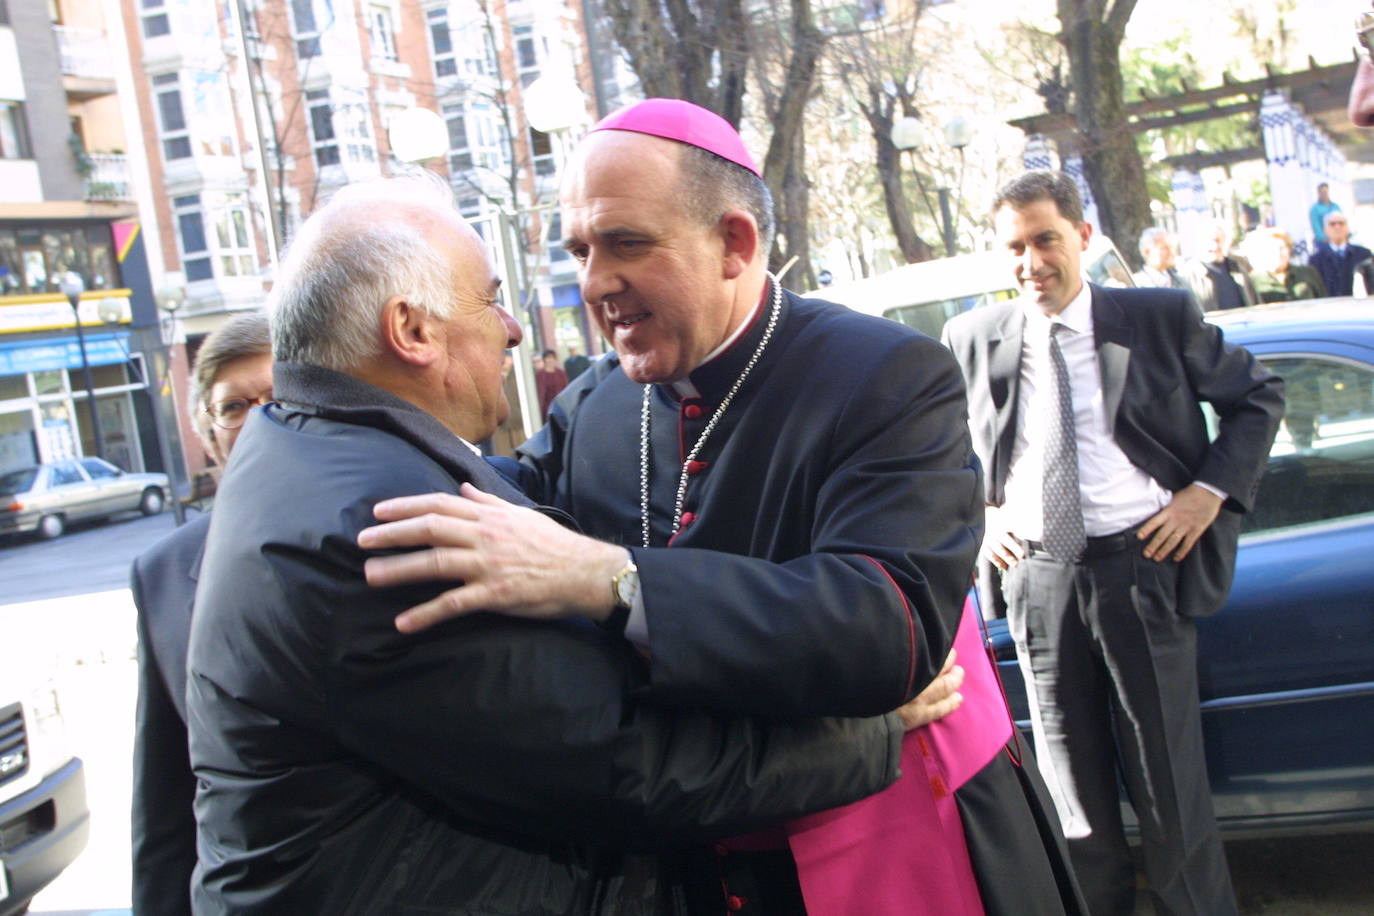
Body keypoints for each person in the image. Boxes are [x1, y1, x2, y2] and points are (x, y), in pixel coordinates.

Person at [359, 99, 1088, 915]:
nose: (595, 283)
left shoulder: (884, 374)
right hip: (691, 848)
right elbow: (480, 518)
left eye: (627, 243)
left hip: (894, 818)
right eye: (580, 250)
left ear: (735, 243)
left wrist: (615, 579)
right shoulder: (596, 404)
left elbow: (890, 628)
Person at [185, 172, 919, 914]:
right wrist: (869, 733)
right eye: (490, 297)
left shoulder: (298, 442)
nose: (511, 326)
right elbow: (618, 764)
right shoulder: (396, 522)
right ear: (412, 331)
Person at [941, 170, 1284, 916]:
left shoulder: (1157, 317)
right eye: (1014, 247)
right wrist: (982, 515)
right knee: (1076, 808)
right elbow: (942, 451)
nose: (1031, 262)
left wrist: (1206, 492)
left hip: (1144, 570)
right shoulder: (973, 338)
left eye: (1046, 240)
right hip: (1038, 582)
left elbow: (1258, 397)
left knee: (1172, 801)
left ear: (1084, 239)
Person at [130, 311, 272, 916]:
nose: (258, 419)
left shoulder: (382, 525)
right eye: (234, 407)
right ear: (208, 434)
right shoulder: (161, 574)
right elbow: (164, 799)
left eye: (277, 397)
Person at [1181, 220, 1257, 311]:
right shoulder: (1189, 273)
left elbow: (1254, 299)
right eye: (1210, 241)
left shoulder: (1237, 267)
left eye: (1218, 241)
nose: (1214, 246)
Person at [1244, 227, 1326, 303]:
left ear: (1289, 250)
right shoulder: (1253, 280)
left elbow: (1324, 302)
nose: (1278, 252)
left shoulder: (1308, 273)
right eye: (1273, 248)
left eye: (1282, 248)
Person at [1308, 211, 1372, 297]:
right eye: (1332, 224)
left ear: (1348, 228)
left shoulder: (1364, 255)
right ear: (1325, 230)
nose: (1337, 227)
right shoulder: (1315, 260)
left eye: (1341, 223)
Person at [535, 346, 568, 419]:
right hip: (545, 408)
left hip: (559, 406)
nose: (550, 360)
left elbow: (566, 389)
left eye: (552, 358)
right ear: (544, 360)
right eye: (548, 358)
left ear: (555, 359)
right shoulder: (539, 374)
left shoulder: (561, 373)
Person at [1309, 182, 1341, 247]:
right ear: (1318, 193)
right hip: (1324, 243)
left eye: (1326, 192)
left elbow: (1342, 221)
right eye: (1322, 192)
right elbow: (1316, 227)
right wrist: (1325, 239)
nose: (1325, 194)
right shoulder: (1315, 209)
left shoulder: (1335, 206)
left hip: (1338, 241)